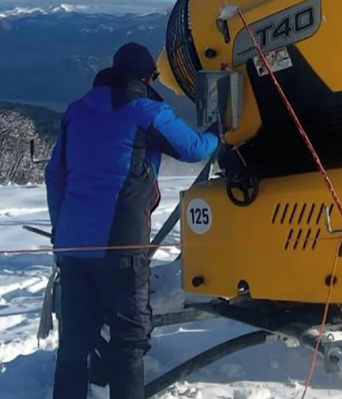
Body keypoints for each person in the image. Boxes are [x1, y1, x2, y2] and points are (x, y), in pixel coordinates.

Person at [45, 42, 220, 399]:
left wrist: (60, 229)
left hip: (73, 246)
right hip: (122, 246)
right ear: (146, 76)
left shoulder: (76, 111)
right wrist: (223, 126)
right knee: (129, 342)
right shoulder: (146, 110)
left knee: (74, 345)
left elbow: (55, 176)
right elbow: (195, 149)